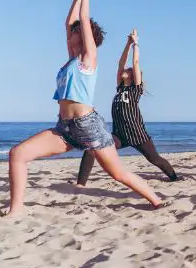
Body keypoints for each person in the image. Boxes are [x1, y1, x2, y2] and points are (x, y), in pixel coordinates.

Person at [1, 0, 167, 217]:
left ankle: (156, 200)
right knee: (18, 154)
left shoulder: (88, 59)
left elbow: (83, 19)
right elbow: (69, 22)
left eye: (77, 31)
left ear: (86, 35)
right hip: (65, 128)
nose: (71, 33)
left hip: (89, 126)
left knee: (117, 173)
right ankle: (15, 211)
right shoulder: (71, 59)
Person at [75, 28, 179, 187]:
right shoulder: (120, 88)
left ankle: (174, 178)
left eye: (128, 71)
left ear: (133, 76)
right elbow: (121, 63)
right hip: (119, 135)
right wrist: (128, 43)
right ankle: (80, 184)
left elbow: (135, 63)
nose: (125, 70)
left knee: (155, 159)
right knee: (92, 148)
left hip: (137, 134)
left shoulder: (135, 90)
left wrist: (136, 43)